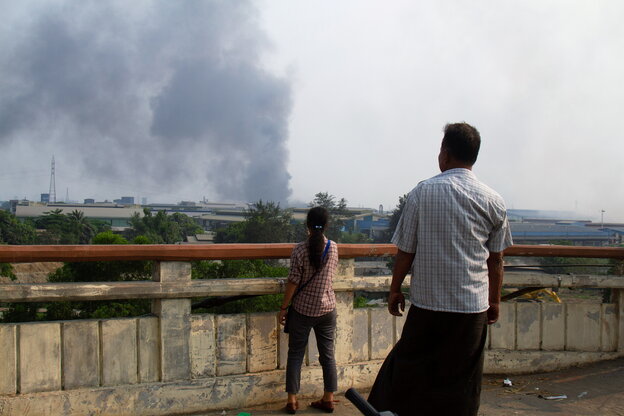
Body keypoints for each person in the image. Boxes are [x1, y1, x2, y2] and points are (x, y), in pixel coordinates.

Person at [368, 122, 513, 416]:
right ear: (473, 156)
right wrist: (494, 301)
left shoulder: (423, 192)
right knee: (462, 382)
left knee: (408, 374)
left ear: (445, 154)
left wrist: (395, 289)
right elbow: (495, 260)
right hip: (472, 310)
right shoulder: (494, 200)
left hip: (428, 307)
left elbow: (406, 250)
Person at [279, 206, 340, 414]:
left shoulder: (299, 249)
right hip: (327, 309)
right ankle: (329, 399)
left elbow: (293, 281)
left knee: (295, 354)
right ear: (326, 225)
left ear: (307, 224)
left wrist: (283, 308)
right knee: (328, 356)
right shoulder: (333, 248)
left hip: (303, 310)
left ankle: (292, 401)